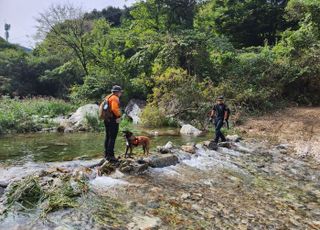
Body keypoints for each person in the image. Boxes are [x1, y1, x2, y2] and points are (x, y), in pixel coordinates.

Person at [103, 85, 122, 162]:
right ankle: (111, 156)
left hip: (106, 119)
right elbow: (114, 109)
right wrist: (119, 116)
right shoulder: (115, 98)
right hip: (113, 119)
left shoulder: (108, 97)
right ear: (117, 92)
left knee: (108, 136)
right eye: (120, 92)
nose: (121, 94)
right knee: (112, 137)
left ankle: (106, 154)